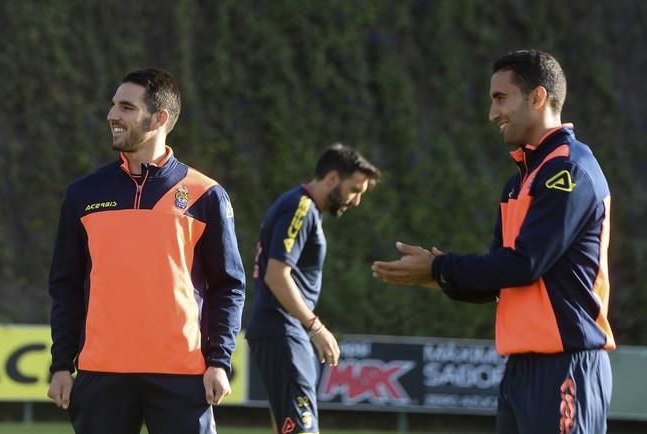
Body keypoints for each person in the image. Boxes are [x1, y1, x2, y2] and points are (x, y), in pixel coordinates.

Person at [372, 49, 615, 434]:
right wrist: (437, 278)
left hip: (566, 364)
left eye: (501, 98)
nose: (492, 113)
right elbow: (500, 275)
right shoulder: (519, 181)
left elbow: (524, 264)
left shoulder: (567, 171)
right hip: (520, 369)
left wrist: (439, 266)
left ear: (537, 97)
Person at [47, 68, 246, 434]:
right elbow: (66, 284)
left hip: (182, 374)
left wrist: (218, 360)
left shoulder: (206, 195)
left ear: (160, 118)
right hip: (101, 372)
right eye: (112, 106)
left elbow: (228, 286)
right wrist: (61, 364)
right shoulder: (83, 194)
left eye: (126, 107)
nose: (112, 115)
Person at [246, 144, 380, 434]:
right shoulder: (301, 207)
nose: (355, 201)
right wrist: (316, 326)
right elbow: (277, 275)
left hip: (280, 329)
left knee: (288, 426)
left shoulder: (299, 206)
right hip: (283, 330)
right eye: (354, 189)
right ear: (332, 178)